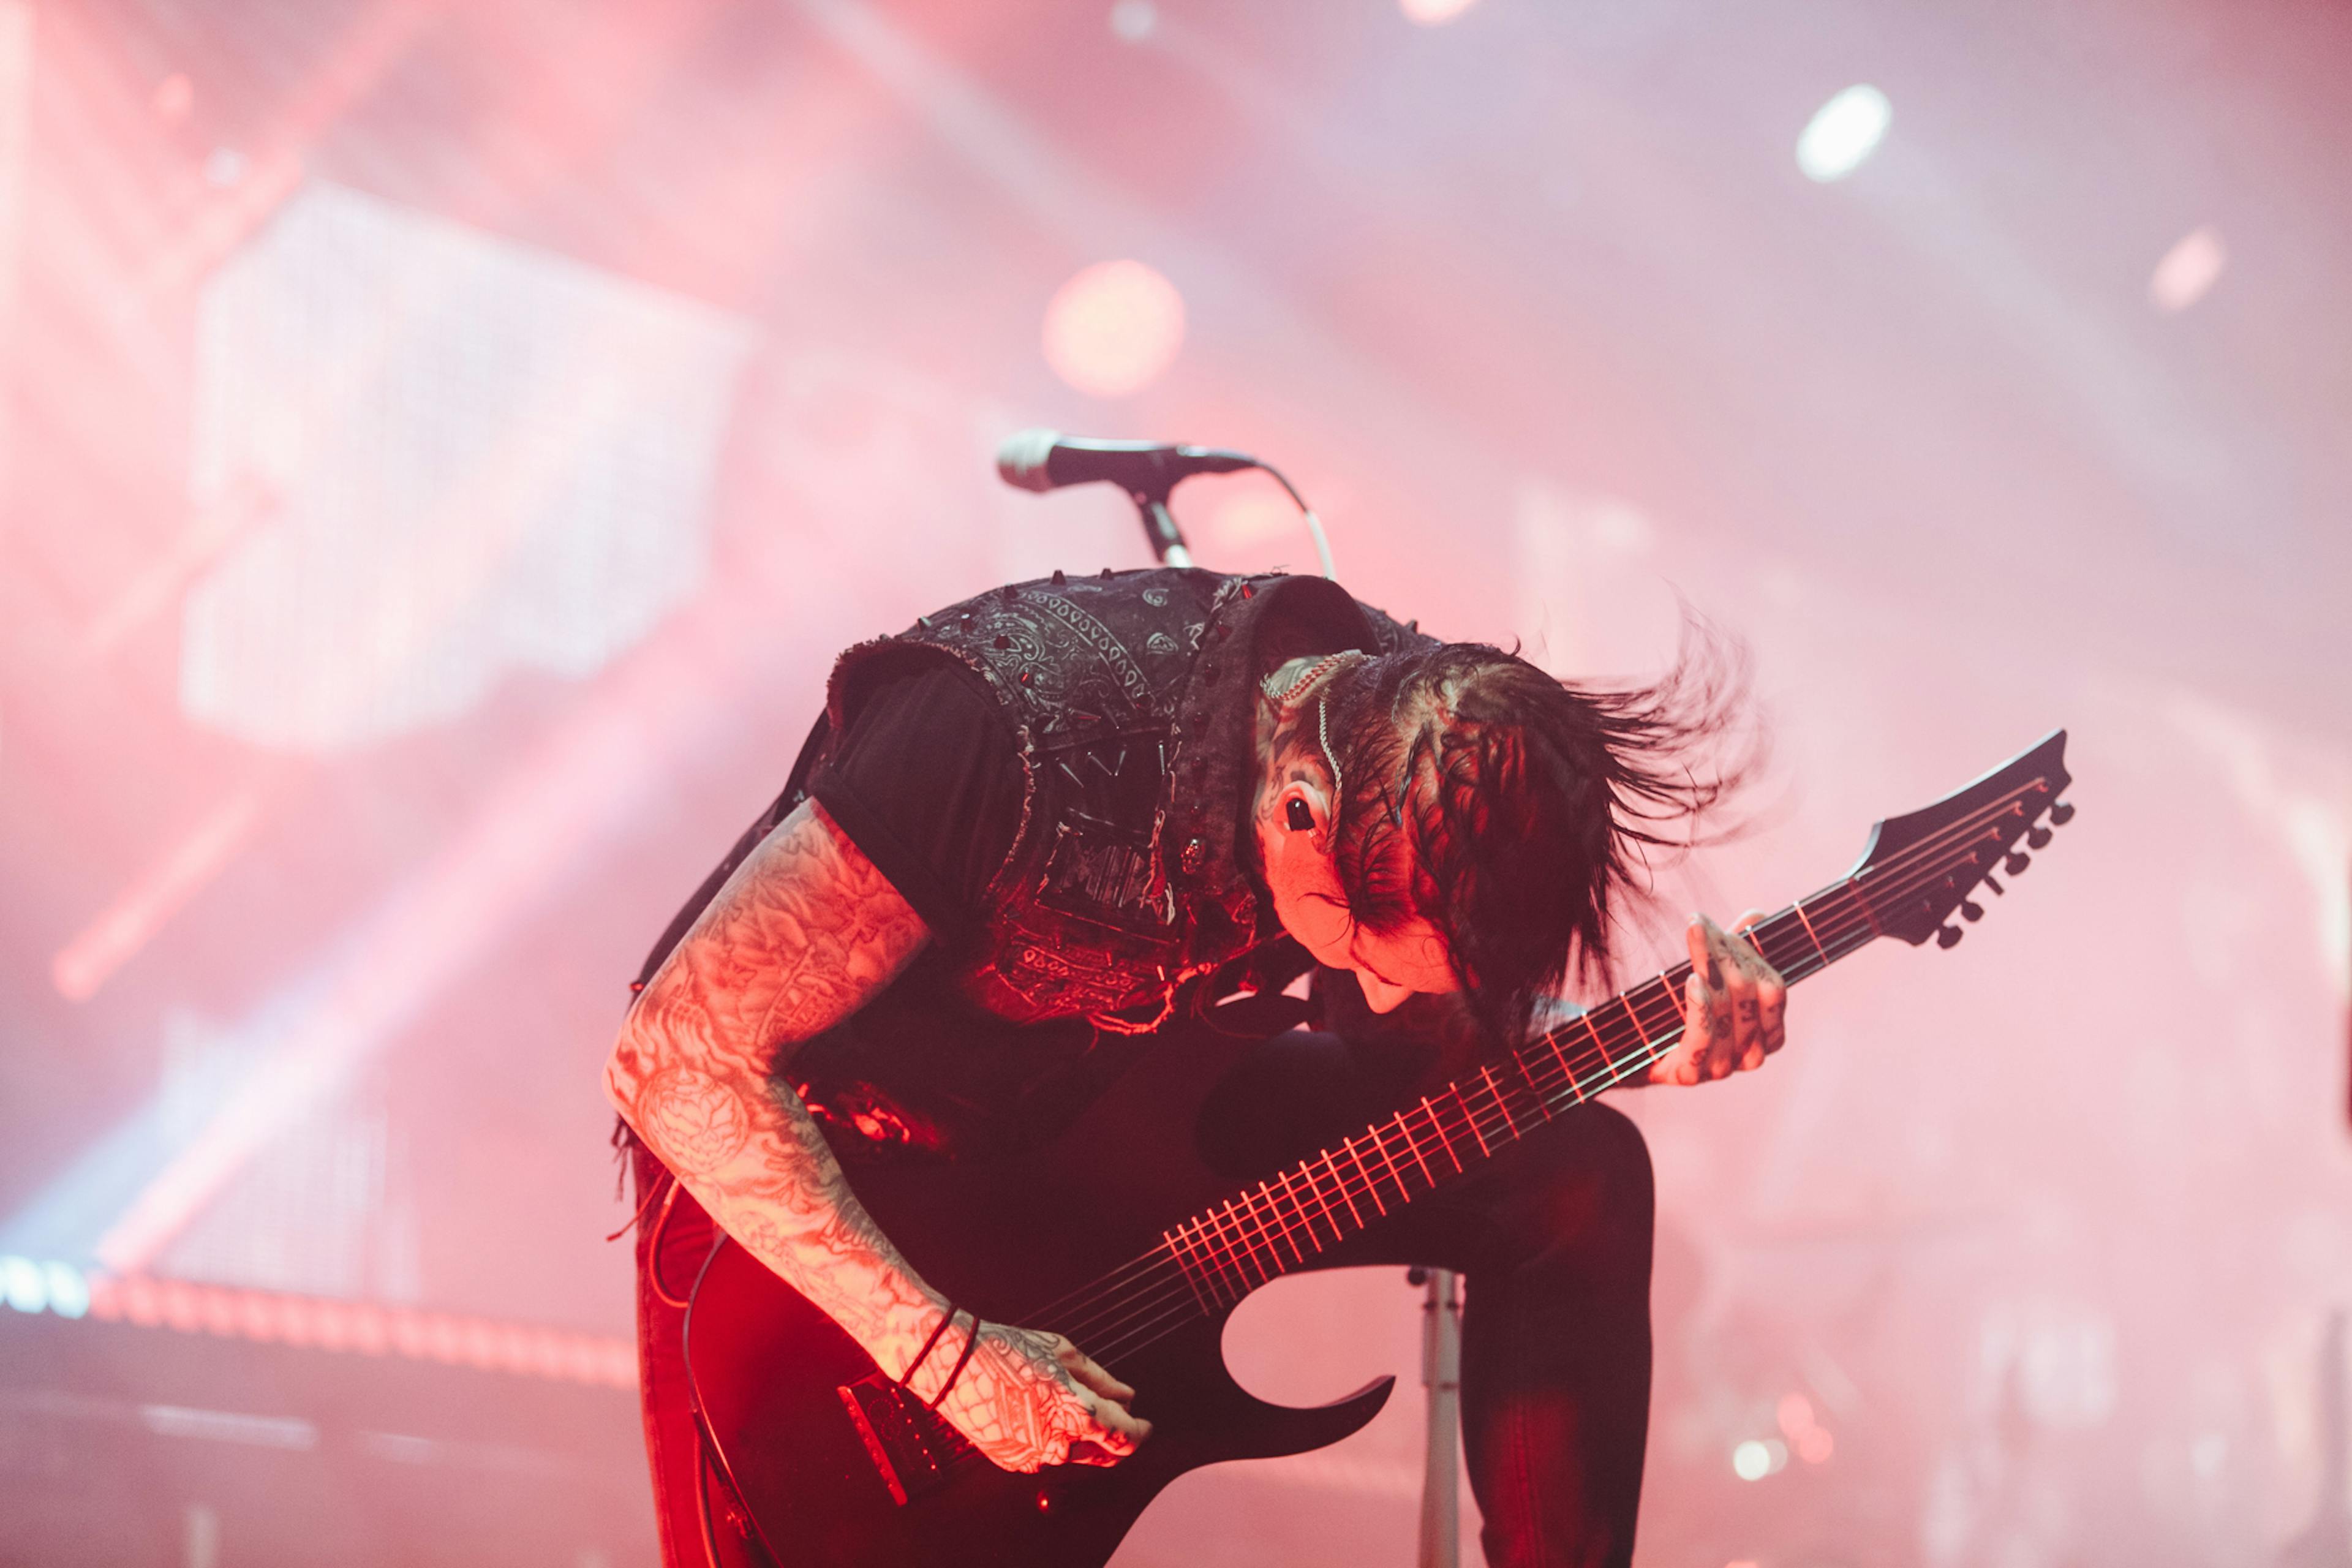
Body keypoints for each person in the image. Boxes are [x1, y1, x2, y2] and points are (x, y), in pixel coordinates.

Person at [604, 566, 1788, 1568]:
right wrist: (947, 1352)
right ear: (1302, 811)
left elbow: (1401, 1009)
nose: (1374, 1000)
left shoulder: (1419, 722)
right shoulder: (998, 733)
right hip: (819, 1180)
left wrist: (1636, 1045)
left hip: (1105, 1125)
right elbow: (675, 1059)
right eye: (1364, 952)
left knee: (1570, 1171)